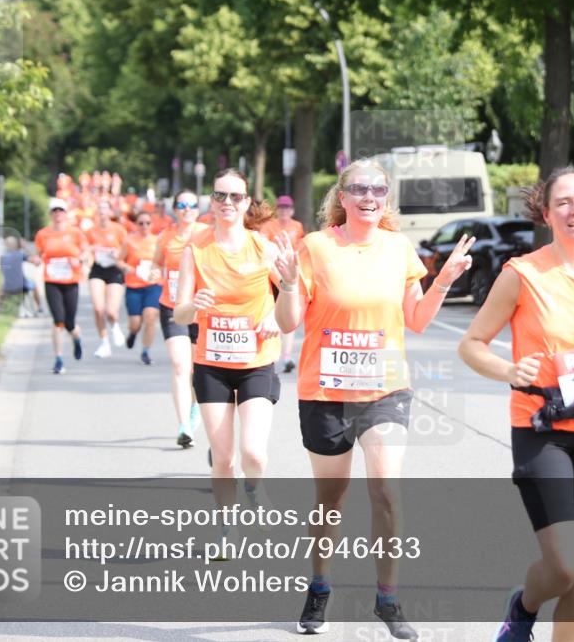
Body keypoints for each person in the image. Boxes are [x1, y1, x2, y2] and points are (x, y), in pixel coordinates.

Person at [274, 159, 474, 638]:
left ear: (386, 198)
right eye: (359, 188)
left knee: (386, 489)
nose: (369, 196)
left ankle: (388, 598)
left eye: (378, 189)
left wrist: (443, 279)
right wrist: (284, 282)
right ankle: (319, 587)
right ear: (341, 198)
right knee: (331, 499)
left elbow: (418, 320)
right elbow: (287, 323)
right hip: (323, 390)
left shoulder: (399, 248)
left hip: (385, 389)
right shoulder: (316, 247)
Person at [458, 166, 574, 642]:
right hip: (542, 430)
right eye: (563, 202)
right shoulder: (523, 274)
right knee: (565, 566)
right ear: (546, 213)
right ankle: (523, 607)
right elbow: (472, 344)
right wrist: (507, 371)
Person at [174, 169, 281, 529]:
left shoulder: (263, 247)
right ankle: (225, 528)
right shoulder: (196, 249)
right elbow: (179, 313)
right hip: (212, 364)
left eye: (236, 197)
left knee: (253, 452)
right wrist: (195, 305)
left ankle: (254, 486)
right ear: (212, 200)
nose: (227, 203)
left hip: (256, 361)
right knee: (222, 458)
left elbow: (295, 294)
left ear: (247, 202)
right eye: (221, 196)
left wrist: (274, 316)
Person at [152, 191, 209, 447]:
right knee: (179, 365)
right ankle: (184, 424)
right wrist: (152, 271)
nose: (187, 209)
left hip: (201, 309)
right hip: (172, 307)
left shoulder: (207, 234)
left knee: (197, 369)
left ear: (198, 209)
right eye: (182, 205)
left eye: (192, 205)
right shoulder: (165, 236)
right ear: (175, 209)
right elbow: (156, 264)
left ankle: (195, 406)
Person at [33, 197, 88, 374]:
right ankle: (58, 359)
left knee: (70, 323)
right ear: (50, 214)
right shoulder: (43, 234)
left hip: (71, 280)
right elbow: (38, 255)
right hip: (52, 281)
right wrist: (34, 260)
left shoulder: (75, 233)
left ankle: (76, 337)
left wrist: (78, 259)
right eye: (54, 211)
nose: (58, 214)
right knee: (58, 320)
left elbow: (86, 252)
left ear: (66, 213)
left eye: (60, 210)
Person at [261, 195, 305, 374]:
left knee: (289, 313)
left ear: (292, 210)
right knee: (271, 313)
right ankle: (269, 352)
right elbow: (263, 247)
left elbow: (300, 248)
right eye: (281, 208)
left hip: (289, 274)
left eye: (287, 208)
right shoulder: (269, 225)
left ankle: (286, 355)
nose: (284, 211)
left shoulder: (297, 226)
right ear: (276, 210)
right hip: (272, 273)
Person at [118, 211, 161, 365]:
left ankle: (145, 351)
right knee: (135, 322)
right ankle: (133, 333)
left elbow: (164, 261)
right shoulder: (129, 241)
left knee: (150, 316)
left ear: (152, 225)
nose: (144, 226)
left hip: (153, 285)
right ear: (136, 225)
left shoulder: (158, 241)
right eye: (141, 223)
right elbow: (119, 260)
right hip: (134, 286)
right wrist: (126, 267)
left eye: (147, 223)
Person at [86, 200, 128, 358]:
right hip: (97, 269)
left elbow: (125, 252)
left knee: (111, 311)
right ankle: (104, 343)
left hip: (114, 270)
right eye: (100, 209)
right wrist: (90, 250)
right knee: (98, 308)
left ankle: (115, 326)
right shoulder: (91, 231)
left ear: (111, 212)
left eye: (105, 209)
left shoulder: (119, 230)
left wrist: (117, 254)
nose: (102, 212)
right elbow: (85, 251)